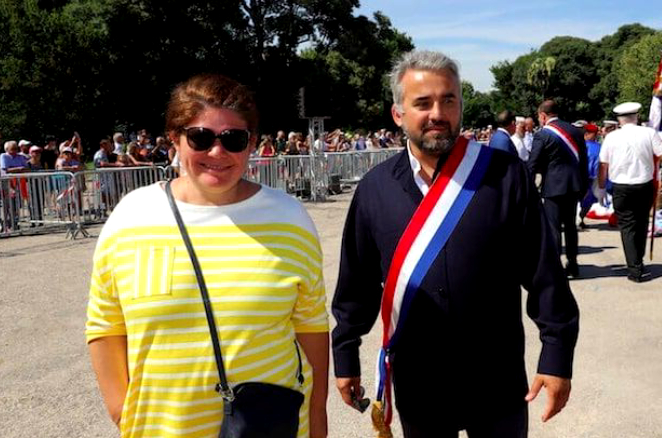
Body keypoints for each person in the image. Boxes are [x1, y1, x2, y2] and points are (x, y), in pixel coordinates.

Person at [332, 50, 579, 438]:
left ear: (461, 106)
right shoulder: (374, 190)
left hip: (496, 381)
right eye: (422, 103)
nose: (438, 113)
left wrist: (557, 355)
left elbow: (545, 274)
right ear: (398, 114)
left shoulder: (505, 175)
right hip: (419, 385)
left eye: (449, 100)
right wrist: (345, 353)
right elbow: (356, 283)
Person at [86, 73, 329, 438]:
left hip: (266, 425)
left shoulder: (289, 217)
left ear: (251, 144)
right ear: (174, 139)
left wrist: (318, 418)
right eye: (200, 137)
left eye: (234, 139)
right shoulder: (132, 217)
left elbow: (310, 324)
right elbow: (106, 323)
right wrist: (122, 409)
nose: (217, 152)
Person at [598, 101, 662, 282]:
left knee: (627, 227)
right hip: (644, 184)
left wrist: (601, 188)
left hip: (621, 186)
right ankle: (637, 260)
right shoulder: (649, 133)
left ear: (619, 119)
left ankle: (634, 268)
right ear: (637, 116)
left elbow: (603, 165)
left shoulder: (611, 137)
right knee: (641, 223)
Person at [528, 99, 588, 278]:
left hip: (554, 186)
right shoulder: (575, 131)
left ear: (543, 115)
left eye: (539, 117)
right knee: (570, 226)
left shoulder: (543, 134)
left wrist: (528, 185)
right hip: (574, 185)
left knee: (553, 228)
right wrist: (583, 186)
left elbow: (533, 162)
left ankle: (554, 268)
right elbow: (583, 161)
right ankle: (573, 263)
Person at [579, 124, 602, 228]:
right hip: (584, 176)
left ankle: (581, 218)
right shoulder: (582, 145)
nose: (595, 135)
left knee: (589, 199)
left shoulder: (597, 146)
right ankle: (579, 218)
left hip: (591, 177)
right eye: (594, 133)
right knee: (585, 198)